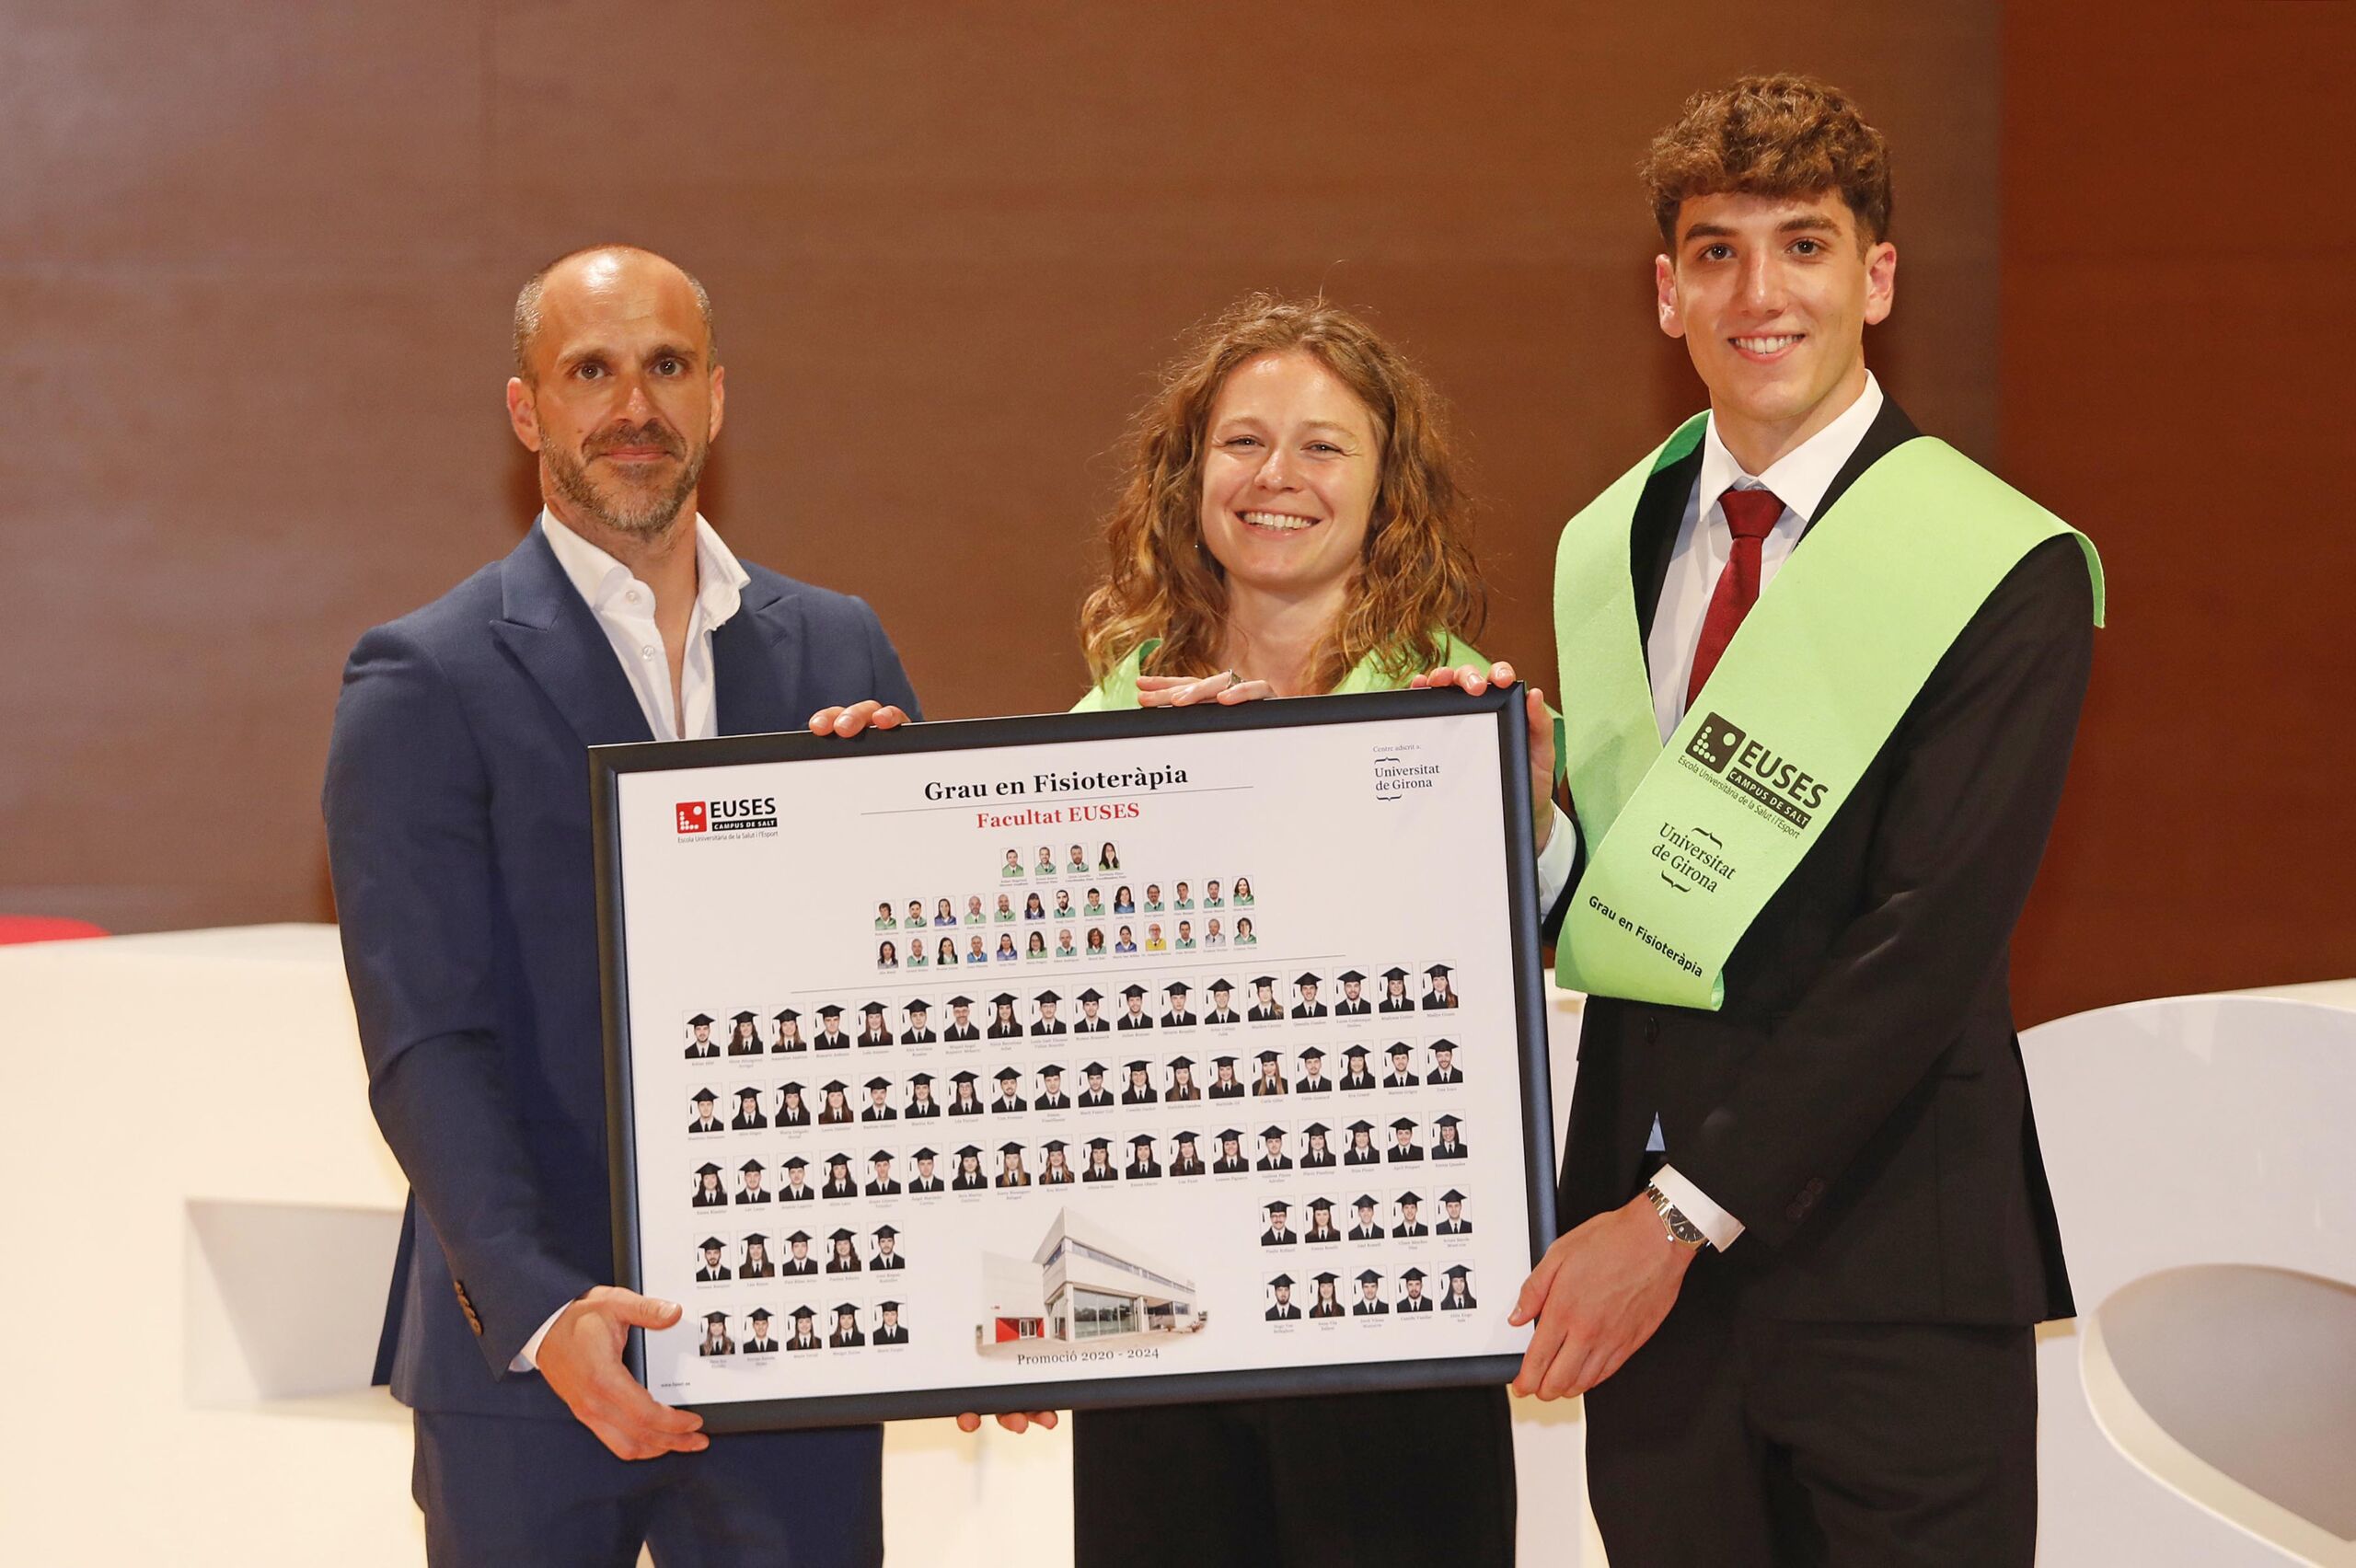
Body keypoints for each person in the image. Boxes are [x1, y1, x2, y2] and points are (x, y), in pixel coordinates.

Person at [1422, 78, 2096, 1568]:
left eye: (1805, 244)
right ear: (1667, 294)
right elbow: (1640, 913)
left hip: (1890, 1267)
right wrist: (1535, 835)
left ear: (1879, 277)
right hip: (1657, 1297)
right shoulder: (1612, 540)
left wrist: (1676, 1220)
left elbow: (1926, 947)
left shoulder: (1998, 562)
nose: (1760, 293)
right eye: (1716, 252)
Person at [807, 293, 1507, 1562]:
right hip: (1159, 1335)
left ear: (1388, 484)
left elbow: (1535, 935)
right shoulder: (1105, 727)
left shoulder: (1458, 712)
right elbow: (1018, 1042)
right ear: (1191, 476)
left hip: (1386, 1325)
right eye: (1243, 441)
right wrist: (871, 811)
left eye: (1324, 446)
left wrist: (1528, 805)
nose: (1277, 476)